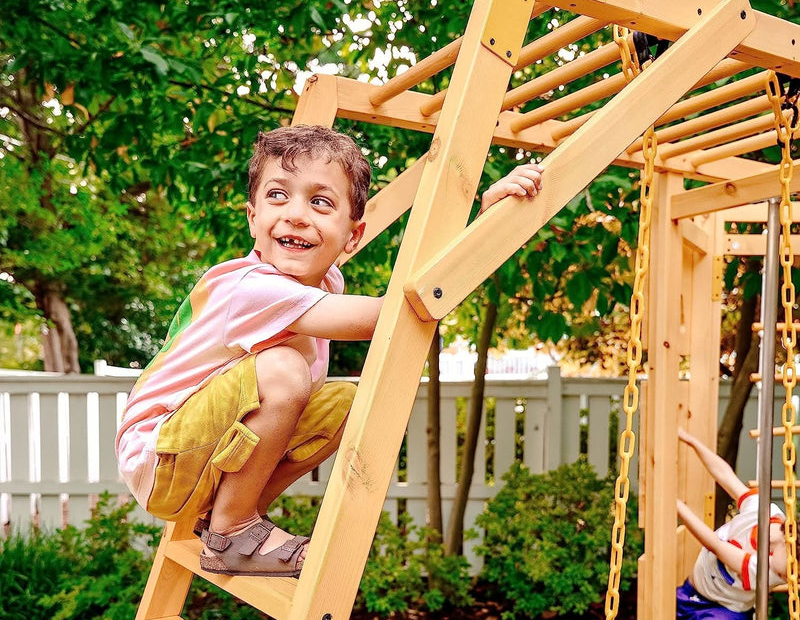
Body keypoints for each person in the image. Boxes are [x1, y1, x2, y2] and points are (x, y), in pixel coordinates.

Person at [115, 124, 544, 578]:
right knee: (283, 368)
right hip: (160, 454)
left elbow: (410, 298)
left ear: (352, 238)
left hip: (202, 456)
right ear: (252, 217)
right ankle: (234, 529)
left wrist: (477, 225)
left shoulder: (326, 284)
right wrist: (484, 230)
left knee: (346, 403)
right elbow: (391, 314)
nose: (297, 215)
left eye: (320, 203)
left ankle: (228, 515)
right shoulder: (250, 287)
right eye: (278, 196)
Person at [672, 427, 788, 620]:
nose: (788, 577)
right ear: (788, 538)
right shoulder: (764, 511)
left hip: (725, 609)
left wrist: (671, 502)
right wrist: (691, 439)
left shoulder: (763, 569)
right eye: (793, 567)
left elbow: (713, 544)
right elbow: (724, 475)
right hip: (691, 592)